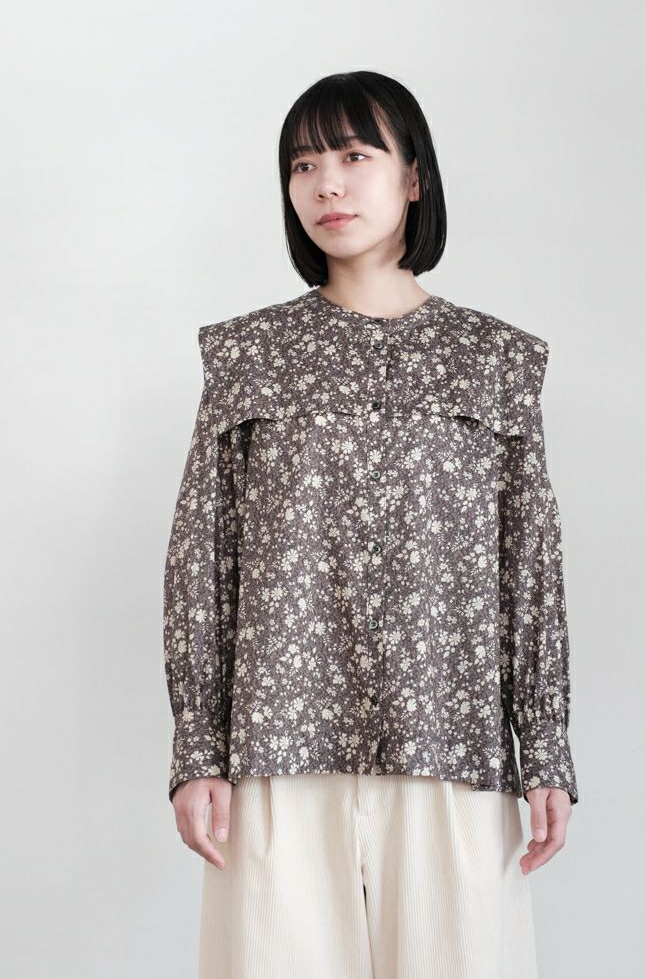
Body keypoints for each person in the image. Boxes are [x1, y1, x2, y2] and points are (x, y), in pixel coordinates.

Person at [162, 70, 579, 979]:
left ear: (414, 176)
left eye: (355, 156)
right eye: (303, 165)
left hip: (451, 743)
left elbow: (528, 565)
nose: (327, 185)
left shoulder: (494, 360)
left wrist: (545, 748)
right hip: (276, 748)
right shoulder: (248, 354)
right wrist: (198, 751)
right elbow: (203, 559)